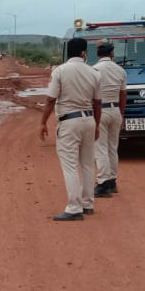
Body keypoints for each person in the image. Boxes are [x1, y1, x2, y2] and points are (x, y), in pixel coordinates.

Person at [39, 38, 102, 221]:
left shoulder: (60, 71)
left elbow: (51, 99)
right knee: (87, 164)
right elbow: (98, 103)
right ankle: (88, 203)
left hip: (69, 122)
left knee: (70, 166)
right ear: (84, 53)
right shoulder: (94, 73)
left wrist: (43, 122)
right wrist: (97, 125)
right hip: (89, 119)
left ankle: (74, 208)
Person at [92, 40, 127, 196]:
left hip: (101, 111)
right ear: (112, 53)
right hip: (116, 111)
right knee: (113, 148)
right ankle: (112, 181)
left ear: (98, 54)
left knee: (101, 149)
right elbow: (123, 94)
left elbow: (92, 96)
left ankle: (103, 183)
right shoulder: (120, 71)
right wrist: (122, 113)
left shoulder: (94, 70)